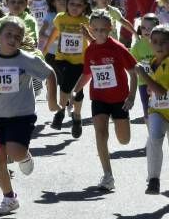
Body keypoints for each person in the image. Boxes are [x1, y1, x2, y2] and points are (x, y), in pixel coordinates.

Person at [0, 17, 59, 216]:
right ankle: (9, 198)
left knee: (15, 151)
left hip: (21, 114)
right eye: (8, 34)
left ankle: (24, 156)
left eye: (17, 36)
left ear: (22, 40)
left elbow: (50, 74)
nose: (12, 39)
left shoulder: (26, 60)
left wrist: (52, 101)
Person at [71, 10, 137, 191]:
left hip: (119, 99)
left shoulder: (117, 47)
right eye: (96, 29)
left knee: (124, 140)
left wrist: (131, 96)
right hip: (99, 98)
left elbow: (133, 73)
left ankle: (120, 122)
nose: (100, 33)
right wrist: (74, 91)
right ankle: (108, 175)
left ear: (110, 28)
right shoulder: (91, 49)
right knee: (100, 134)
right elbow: (86, 74)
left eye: (103, 29)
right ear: (91, 28)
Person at [41, 0, 91, 137]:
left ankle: (75, 116)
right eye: (72, 4)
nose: (75, 7)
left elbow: (92, 40)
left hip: (80, 61)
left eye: (79, 5)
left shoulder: (86, 21)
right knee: (66, 85)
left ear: (84, 7)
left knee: (77, 90)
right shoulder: (60, 18)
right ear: (67, 4)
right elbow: (54, 34)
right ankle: (62, 112)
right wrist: (44, 51)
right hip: (62, 58)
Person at [136, 25, 169, 194]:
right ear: (150, 44)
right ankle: (154, 180)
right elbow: (156, 89)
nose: (159, 46)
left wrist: (144, 76)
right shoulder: (152, 62)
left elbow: (162, 90)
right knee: (154, 139)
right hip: (158, 110)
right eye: (155, 42)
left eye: (164, 42)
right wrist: (150, 88)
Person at [130, 14, 158, 117]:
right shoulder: (137, 46)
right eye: (143, 28)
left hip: (160, 81)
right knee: (147, 110)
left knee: (162, 108)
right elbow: (133, 65)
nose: (146, 30)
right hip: (144, 82)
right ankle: (151, 131)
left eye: (150, 28)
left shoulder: (162, 43)